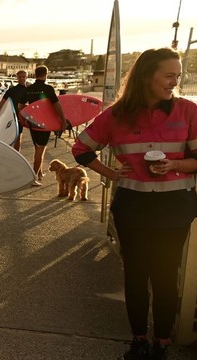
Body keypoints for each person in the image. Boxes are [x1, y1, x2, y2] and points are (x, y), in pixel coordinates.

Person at [73, 48, 197, 360]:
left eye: (177, 76)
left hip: (174, 207)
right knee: (137, 275)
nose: (174, 82)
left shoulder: (188, 111)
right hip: (132, 207)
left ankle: (163, 342)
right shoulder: (115, 116)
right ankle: (139, 339)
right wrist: (110, 172)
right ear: (146, 77)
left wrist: (175, 166)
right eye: (168, 76)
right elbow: (81, 148)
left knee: (166, 276)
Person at [18, 66, 68, 186]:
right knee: (40, 150)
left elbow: (20, 106)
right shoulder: (48, 89)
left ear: (35, 75)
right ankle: (33, 178)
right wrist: (63, 120)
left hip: (33, 123)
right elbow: (57, 105)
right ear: (46, 74)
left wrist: (27, 118)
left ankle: (39, 173)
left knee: (38, 147)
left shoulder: (29, 89)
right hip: (45, 123)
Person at [0, 70, 28, 151]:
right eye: (20, 77)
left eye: (23, 76)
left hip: (21, 117)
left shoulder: (28, 90)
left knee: (18, 139)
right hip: (10, 116)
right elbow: (1, 103)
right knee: (8, 137)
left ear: (26, 77)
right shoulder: (12, 90)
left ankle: (16, 156)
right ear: (17, 78)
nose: (22, 78)